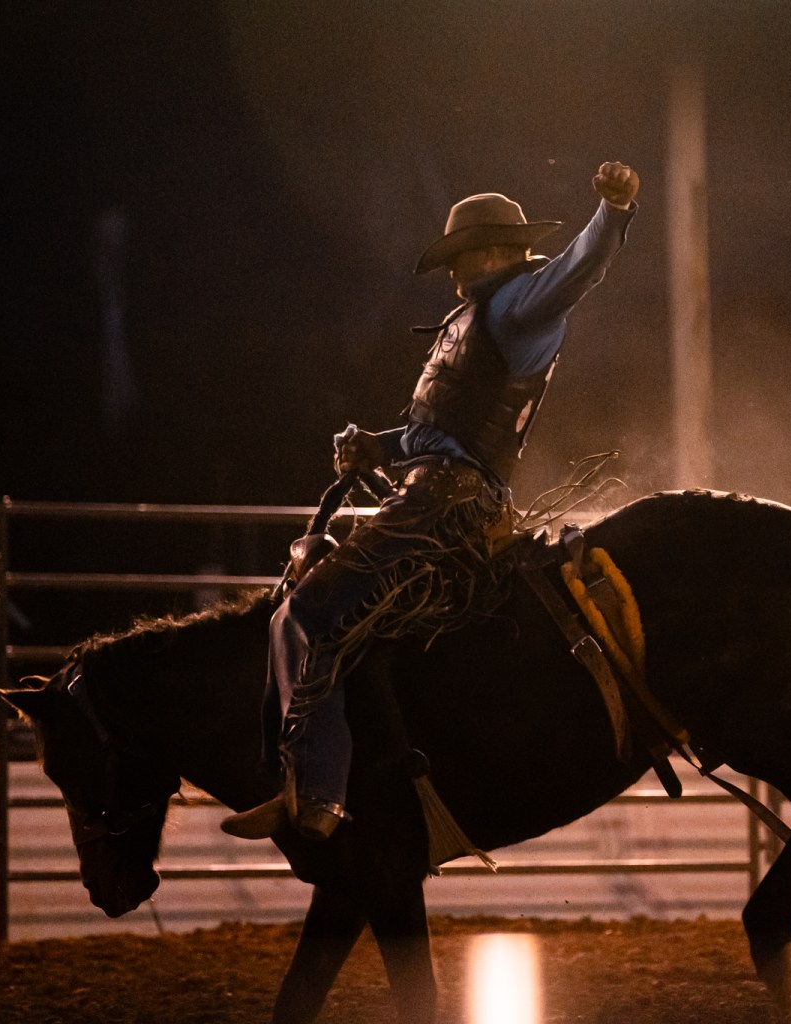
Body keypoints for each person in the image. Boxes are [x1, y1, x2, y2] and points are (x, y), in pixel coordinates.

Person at [223, 161, 640, 841]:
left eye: (460, 257)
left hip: (444, 509)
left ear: (493, 255)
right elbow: (437, 433)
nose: (453, 273)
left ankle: (318, 793)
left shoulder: (516, 304)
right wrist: (380, 449)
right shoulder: (474, 319)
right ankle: (309, 780)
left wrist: (611, 215)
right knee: (303, 612)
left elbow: (576, 273)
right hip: (437, 499)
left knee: (305, 612)